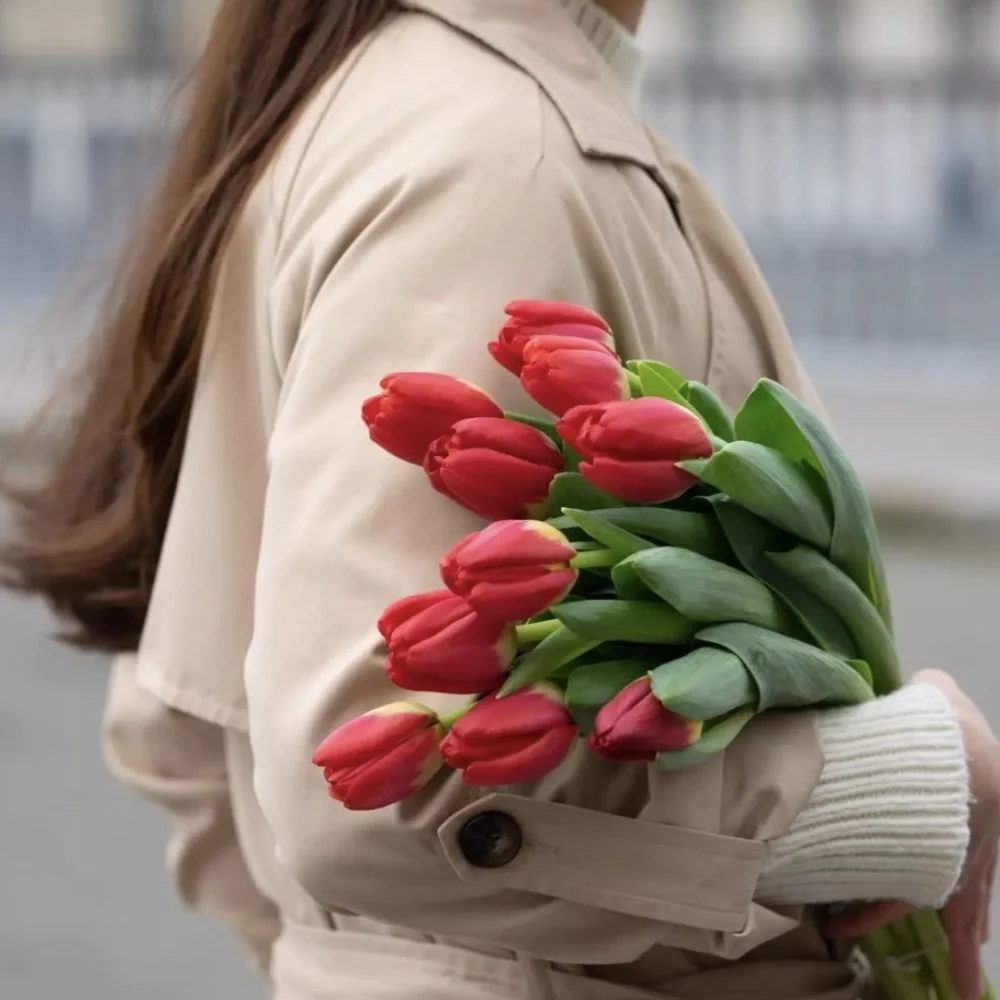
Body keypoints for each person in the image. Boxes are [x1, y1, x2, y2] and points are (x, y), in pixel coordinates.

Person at [2, 1, 997, 998]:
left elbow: (175, 723)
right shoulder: (496, 157)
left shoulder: (400, 98)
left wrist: (360, 962)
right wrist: (900, 780)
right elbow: (381, 789)